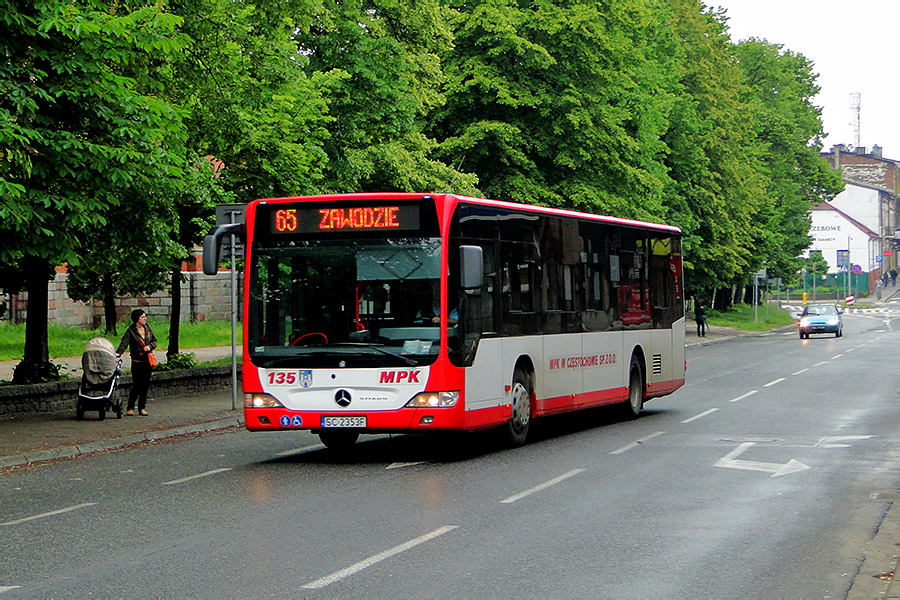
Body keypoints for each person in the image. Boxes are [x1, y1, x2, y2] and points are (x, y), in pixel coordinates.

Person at [116, 309, 157, 416]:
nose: (145, 318)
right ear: (137, 319)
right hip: (137, 361)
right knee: (137, 385)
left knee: (145, 385)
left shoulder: (147, 329)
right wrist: (118, 355)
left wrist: (150, 346)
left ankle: (142, 407)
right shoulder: (130, 331)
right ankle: (130, 407)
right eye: (142, 317)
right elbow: (124, 344)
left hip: (147, 361)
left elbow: (154, 340)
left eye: (145, 317)